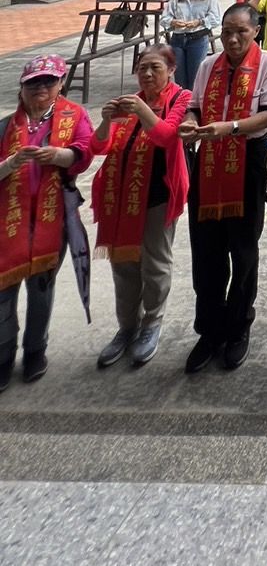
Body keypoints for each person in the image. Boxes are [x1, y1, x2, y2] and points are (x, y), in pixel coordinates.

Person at [179, 3, 267, 372]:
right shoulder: (209, 65)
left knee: (242, 248)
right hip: (208, 162)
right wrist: (192, 123)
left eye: (241, 31)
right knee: (206, 250)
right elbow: (193, 106)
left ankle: (238, 326)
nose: (233, 39)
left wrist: (231, 128)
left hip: (246, 159)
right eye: (226, 32)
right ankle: (209, 329)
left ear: (255, 31)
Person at [91, 44, 191, 370]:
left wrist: (141, 111)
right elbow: (99, 146)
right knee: (123, 265)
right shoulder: (130, 103)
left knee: (155, 263)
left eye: (155, 68)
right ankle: (126, 327)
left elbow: (166, 135)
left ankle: (152, 322)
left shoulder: (181, 99)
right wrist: (106, 121)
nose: (147, 74)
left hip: (158, 196)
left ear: (171, 70)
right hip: (121, 197)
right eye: (142, 68)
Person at [0, 54, 93, 389]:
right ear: (21, 89)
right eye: (33, 83)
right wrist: (11, 163)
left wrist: (57, 155)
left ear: (61, 83)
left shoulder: (74, 117)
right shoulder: (5, 126)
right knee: (3, 291)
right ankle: (3, 353)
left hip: (51, 221)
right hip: (8, 222)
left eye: (48, 81)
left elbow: (83, 153)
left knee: (41, 289)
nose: (40, 88)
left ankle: (36, 350)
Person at [160, 0, 220, 93]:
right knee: (180, 75)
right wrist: (173, 22)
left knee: (195, 75)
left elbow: (215, 19)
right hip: (178, 39)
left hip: (197, 39)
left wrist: (199, 22)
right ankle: (182, 104)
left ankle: (193, 105)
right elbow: (164, 18)